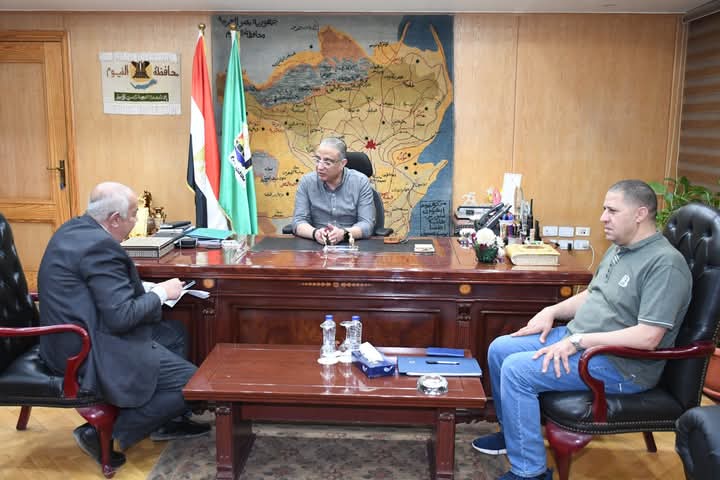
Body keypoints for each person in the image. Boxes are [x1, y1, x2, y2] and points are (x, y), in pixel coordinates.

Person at [471, 179, 692, 480]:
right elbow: (592, 295)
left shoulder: (665, 265)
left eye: (612, 211)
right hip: (581, 340)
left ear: (640, 214)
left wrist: (578, 342)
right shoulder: (620, 248)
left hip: (621, 364)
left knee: (517, 371)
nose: (603, 217)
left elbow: (648, 337)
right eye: (604, 209)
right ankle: (514, 436)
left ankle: (530, 472)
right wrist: (551, 312)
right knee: (500, 349)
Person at [38, 182, 210, 468]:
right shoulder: (100, 247)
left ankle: (164, 420)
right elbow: (121, 317)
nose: (136, 221)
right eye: (133, 215)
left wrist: (141, 290)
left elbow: (97, 288)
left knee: (175, 333)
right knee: (192, 384)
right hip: (86, 349)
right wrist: (160, 293)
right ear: (115, 219)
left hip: (64, 338)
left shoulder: (73, 229)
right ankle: (102, 433)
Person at [292, 137, 375, 244]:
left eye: (327, 162)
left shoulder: (360, 182)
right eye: (317, 160)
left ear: (342, 163)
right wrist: (315, 233)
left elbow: (367, 224)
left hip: (351, 243)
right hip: (317, 244)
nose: (319, 167)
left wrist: (343, 234)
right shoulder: (307, 182)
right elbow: (298, 221)